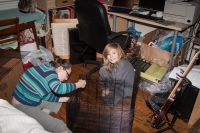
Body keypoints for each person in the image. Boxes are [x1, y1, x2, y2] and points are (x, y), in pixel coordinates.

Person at [11, 56, 86, 133]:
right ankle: (42, 119)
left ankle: (42, 118)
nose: (67, 78)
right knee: (58, 126)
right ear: (60, 68)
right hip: (22, 106)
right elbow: (58, 89)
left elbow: (45, 94)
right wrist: (78, 84)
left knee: (57, 100)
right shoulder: (51, 73)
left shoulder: (48, 68)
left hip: (31, 99)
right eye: (67, 74)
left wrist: (66, 99)